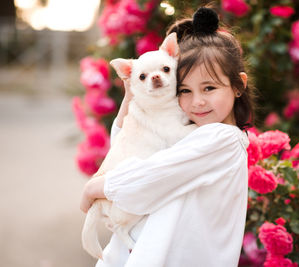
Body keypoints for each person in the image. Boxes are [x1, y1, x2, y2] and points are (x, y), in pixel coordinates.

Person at [80, 6, 255, 267]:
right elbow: (130, 148)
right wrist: (132, 96)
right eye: (184, 90)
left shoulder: (220, 140)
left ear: (238, 85)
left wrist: (96, 187)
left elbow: (149, 176)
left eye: (209, 87)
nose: (197, 101)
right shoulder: (201, 136)